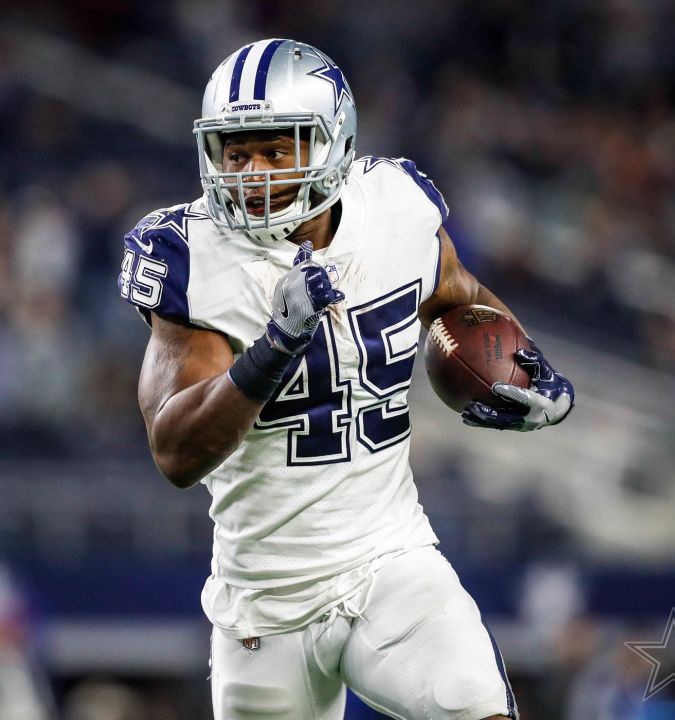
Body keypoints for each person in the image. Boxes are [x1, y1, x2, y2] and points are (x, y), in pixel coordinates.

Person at [119, 38, 574, 720]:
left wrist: (525, 367)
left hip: (390, 561)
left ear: (335, 144)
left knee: (473, 704)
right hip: (265, 606)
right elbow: (176, 451)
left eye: (277, 150)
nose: (253, 174)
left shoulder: (396, 207)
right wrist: (276, 343)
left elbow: (458, 293)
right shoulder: (190, 255)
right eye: (235, 153)